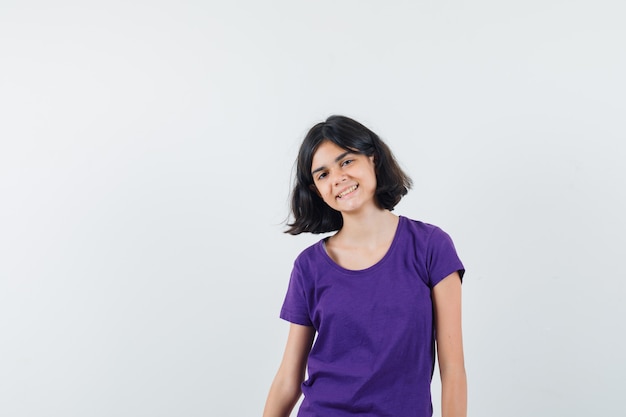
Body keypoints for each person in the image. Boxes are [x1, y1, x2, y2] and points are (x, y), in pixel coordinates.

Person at [263, 115, 466, 417]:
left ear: (372, 158)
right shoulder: (309, 267)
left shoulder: (430, 247)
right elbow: (287, 379)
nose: (337, 178)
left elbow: (453, 370)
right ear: (317, 190)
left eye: (346, 162)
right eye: (322, 174)